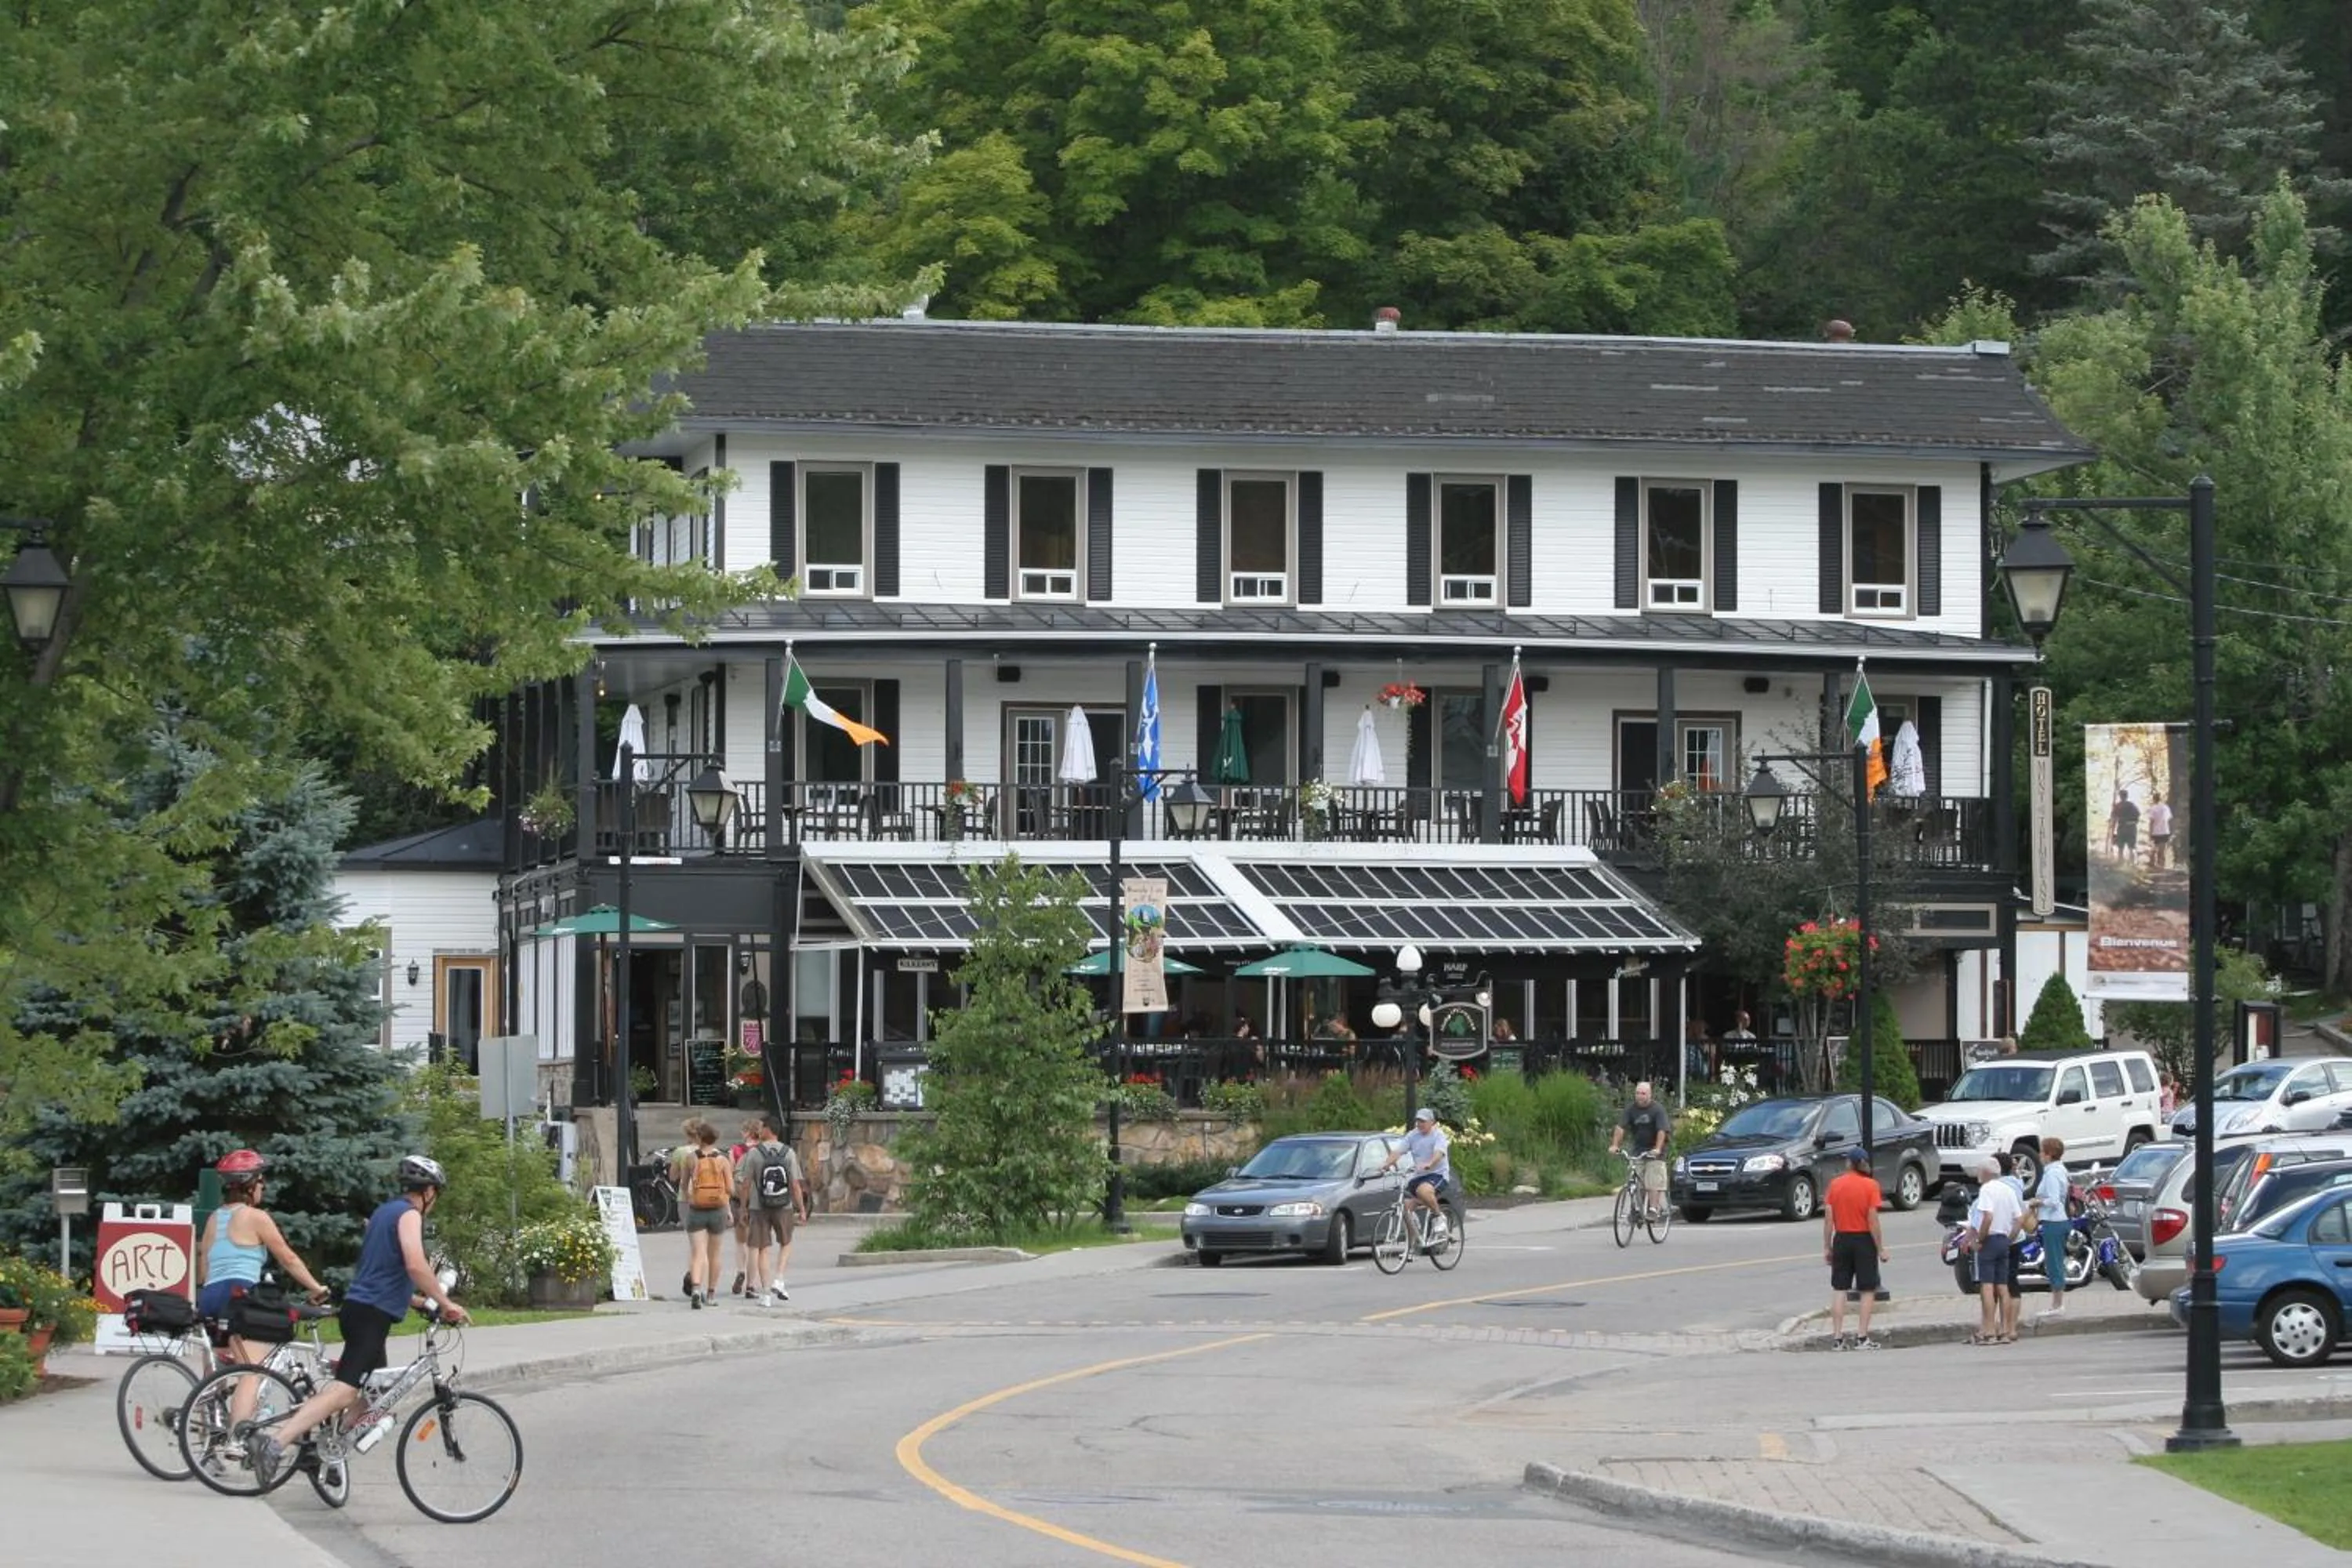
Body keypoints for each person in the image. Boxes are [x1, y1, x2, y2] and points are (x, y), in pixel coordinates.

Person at [245, 1155, 468, 1483]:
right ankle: (276, 1443)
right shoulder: (409, 1215)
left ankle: (329, 1452)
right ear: (429, 1191)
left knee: (371, 1395)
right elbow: (416, 1265)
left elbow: (382, 1275)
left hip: (362, 1310)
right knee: (346, 1391)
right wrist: (446, 1302)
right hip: (370, 1317)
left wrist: (421, 1302)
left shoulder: (383, 1213)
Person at [195, 1150, 330, 1426]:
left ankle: (209, 1436)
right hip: (240, 1295)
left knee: (215, 1371)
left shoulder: (214, 1219)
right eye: (261, 1183)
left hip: (210, 1296)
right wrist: (317, 1288)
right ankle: (237, 1436)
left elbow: (203, 1267)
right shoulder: (256, 1217)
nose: (263, 1188)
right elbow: (288, 1258)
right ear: (249, 1185)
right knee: (251, 1370)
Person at [735, 1116, 809, 1305]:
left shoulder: (754, 1153)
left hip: (759, 1206)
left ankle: (766, 1294)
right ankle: (779, 1278)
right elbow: (794, 1184)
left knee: (762, 1249)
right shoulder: (789, 1152)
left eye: (763, 1127)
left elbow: (745, 1184)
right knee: (786, 1243)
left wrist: (743, 1208)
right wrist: (801, 1209)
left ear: (769, 1129)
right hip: (783, 1206)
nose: (760, 1131)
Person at [1823, 1148, 1889, 1350]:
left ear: (1849, 1163)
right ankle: (1862, 1337)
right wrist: (1880, 1248)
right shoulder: (1871, 1186)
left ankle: (1837, 1337)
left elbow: (1828, 1219)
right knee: (1867, 1289)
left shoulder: (1835, 1184)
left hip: (1842, 1238)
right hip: (1863, 1240)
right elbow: (1873, 1220)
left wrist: (1827, 1246)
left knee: (1840, 1288)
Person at [673, 1118, 735, 1308]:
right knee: (714, 1254)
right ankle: (712, 1294)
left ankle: (696, 1289)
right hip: (718, 1209)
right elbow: (731, 1189)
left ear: (700, 1138)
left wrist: (692, 1193)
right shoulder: (723, 1160)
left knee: (697, 1252)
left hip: (696, 1208)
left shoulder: (691, 1159)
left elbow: (683, 1185)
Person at [1966, 1154, 2027, 1345]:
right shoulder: (2008, 1189)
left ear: (1985, 1173)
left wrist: (1980, 1238)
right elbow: (2019, 1219)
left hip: (1990, 1240)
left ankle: (1990, 1330)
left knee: (1987, 1285)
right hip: (2004, 1240)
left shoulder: (1987, 1190)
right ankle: (2006, 1331)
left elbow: (1988, 1216)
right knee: (2003, 1286)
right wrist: (2009, 1238)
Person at [1380, 1108, 1454, 1243]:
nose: (1420, 1124)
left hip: (1437, 1175)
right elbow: (1397, 1152)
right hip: (1418, 1176)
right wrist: (1385, 1165)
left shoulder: (1438, 1135)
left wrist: (1430, 1164)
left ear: (1432, 1122)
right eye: (1418, 1121)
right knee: (1405, 1207)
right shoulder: (1412, 1135)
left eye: (1423, 1121)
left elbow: (1439, 1153)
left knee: (1423, 1191)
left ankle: (1439, 1219)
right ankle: (1413, 1243)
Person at [1609, 1081, 1672, 1220]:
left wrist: (1657, 1149)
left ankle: (1653, 1209)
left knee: (1652, 1179)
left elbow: (1662, 1131)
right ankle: (1637, 1209)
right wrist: (1615, 1145)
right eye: (1637, 1093)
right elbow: (1621, 1128)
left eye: (1643, 1093)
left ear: (1650, 1094)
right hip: (1639, 1150)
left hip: (1655, 1152)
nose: (1640, 1096)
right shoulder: (1631, 1109)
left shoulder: (1657, 1110)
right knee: (1637, 1180)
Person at [2034, 1137, 2074, 1319]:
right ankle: (2057, 1303)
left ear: (2049, 1155)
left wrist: (2036, 1202)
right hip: (2060, 1220)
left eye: (2041, 1152)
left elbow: (2053, 1200)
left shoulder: (2051, 1174)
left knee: (2054, 1263)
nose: (2039, 1155)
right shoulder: (2060, 1170)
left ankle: (2057, 1304)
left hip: (2053, 1221)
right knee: (2055, 1261)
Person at [2147, 793, 2173, 869]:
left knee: (2154, 848)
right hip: (2165, 831)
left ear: (2154, 799)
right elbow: (2169, 819)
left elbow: (2152, 821)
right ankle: (2162, 865)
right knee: (2162, 849)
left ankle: (2153, 864)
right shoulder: (2166, 808)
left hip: (2156, 832)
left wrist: (2150, 832)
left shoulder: (2153, 808)